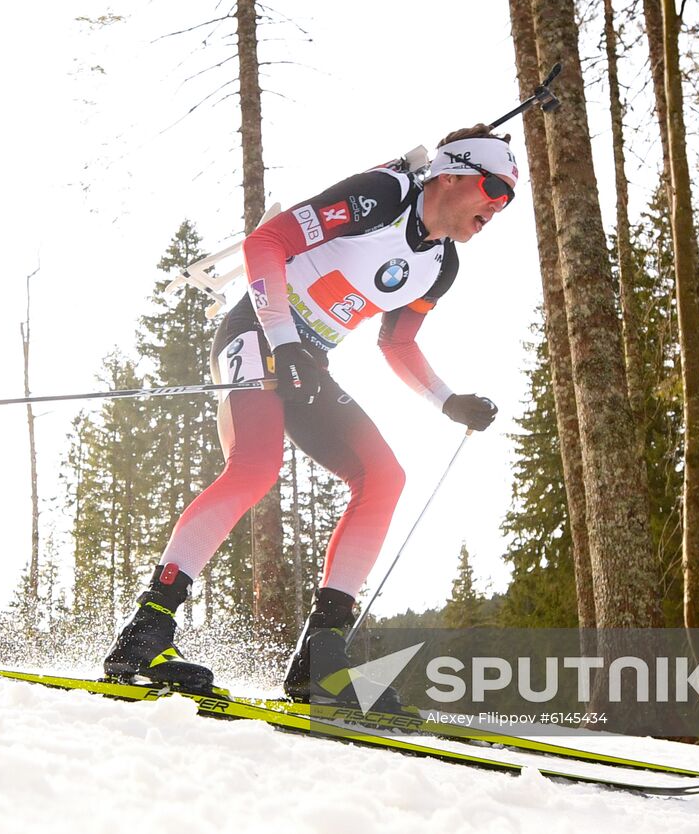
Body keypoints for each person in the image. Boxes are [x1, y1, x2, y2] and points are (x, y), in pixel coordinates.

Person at [104, 125, 513, 706]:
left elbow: (397, 345)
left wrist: (448, 400)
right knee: (254, 467)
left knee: (384, 477)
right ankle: (145, 635)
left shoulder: (439, 268)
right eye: (494, 188)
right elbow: (266, 243)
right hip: (255, 328)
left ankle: (319, 663)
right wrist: (281, 338)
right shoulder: (384, 195)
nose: (499, 206)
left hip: (308, 359)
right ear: (452, 174)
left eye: (508, 198)